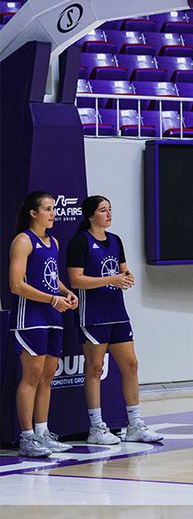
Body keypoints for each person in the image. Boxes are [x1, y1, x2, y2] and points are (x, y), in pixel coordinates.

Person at [66, 194, 163, 446]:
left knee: (131, 365)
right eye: (102, 210)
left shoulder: (115, 240)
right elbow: (76, 280)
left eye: (110, 209)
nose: (108, 214)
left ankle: (135, 424)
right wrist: (111, 280)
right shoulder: (80, 242)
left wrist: (127, 276)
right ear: (90, 216)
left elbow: (122, 270)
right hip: (93, 316)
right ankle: (96, 427)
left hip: (117, 313)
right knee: (95, 369)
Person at [8, 191, 78, 459]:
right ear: (33, 213)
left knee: (47, 376)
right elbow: (16, 285)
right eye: (48, 209)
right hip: (31, 318)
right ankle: (27, 437)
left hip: (52, 316)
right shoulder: (23, 241)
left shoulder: (54, 243)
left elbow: (51, 275)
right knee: (31, 376)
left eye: (54, 209)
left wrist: (65, 292)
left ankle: (42, 432)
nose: (53, 214)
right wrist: (52, 299)